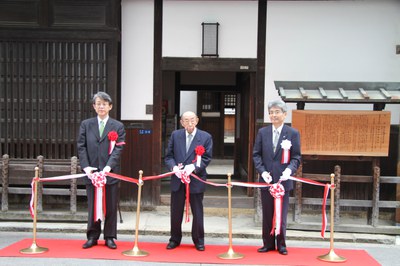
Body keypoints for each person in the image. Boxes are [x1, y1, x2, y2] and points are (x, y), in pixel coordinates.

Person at [77, 91, 126, 249]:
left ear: (110, 106)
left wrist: (107, 167)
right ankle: (92, 236)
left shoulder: (118, 126)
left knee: (110, 206)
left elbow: (118, 149)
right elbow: (81, 146)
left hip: (109, 172)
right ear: (94, 106)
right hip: (92, 173)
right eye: (98, 104)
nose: (101, 106)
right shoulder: (86, 124)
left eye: (104, 104)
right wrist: (86, 167)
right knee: (93, 206)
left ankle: (110, 237)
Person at [253, 99, 301, 255]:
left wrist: (289, 170)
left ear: (284, 114)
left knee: (281, 213)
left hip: (283, 181)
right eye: (271, 112)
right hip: (266, 180)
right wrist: (263, 172)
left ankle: (281, 244)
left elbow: (296, 157)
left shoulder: (292, 133)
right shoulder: (263, 132)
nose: (273, 115)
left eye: (276, 112)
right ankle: (267, 243)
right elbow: (256, 155)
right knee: (267, 212)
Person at [164, 111, 213, 251]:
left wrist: (193, 167)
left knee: (197, 211)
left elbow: (207, 157)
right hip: (178, 179)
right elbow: (168, 156)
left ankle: (199, 240)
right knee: (176, 211)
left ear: (197, 120)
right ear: (181, 122)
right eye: (186, 120)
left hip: (196, 179)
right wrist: (174, 168)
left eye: (192, 120)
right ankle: (174, 239)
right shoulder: (175, 135)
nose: (189, 123)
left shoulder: (205, 137)